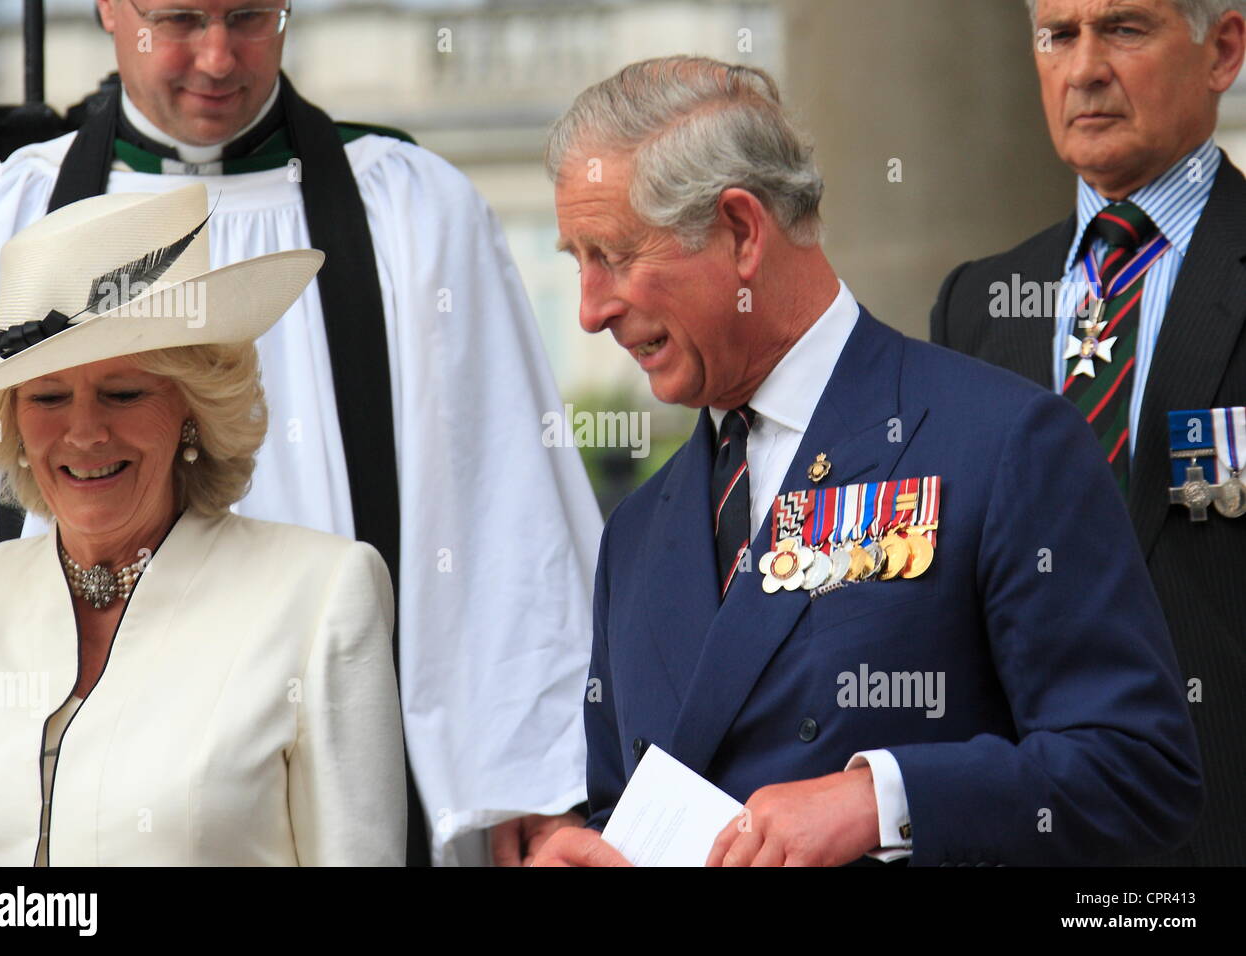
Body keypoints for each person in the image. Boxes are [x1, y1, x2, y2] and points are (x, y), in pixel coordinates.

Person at [0, 0, 602, 865]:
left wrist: (535, 784)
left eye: (250, 16)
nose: (218, 59)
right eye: (179, 19)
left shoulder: (412, 208)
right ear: (108, 8)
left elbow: (502, 514)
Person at [533, 56, 1201, 867]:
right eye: (577, 260)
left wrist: (883, 801)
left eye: (615, 255)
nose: (591, 308)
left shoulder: (1003, 442)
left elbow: (1138, 773)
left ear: (743, 232)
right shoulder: (638, 530)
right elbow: (627, 799)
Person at [0, 184, 405, 865]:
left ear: (192, 407)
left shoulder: (320, 595)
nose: (84, 433)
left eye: (123, 393)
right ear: (11, 422)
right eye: (47, 397)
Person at [929, 0, 1246, 865]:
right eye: (1057, 35)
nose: (1083, 69)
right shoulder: (977, 306)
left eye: (1125, 29)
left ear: (1223, 50)